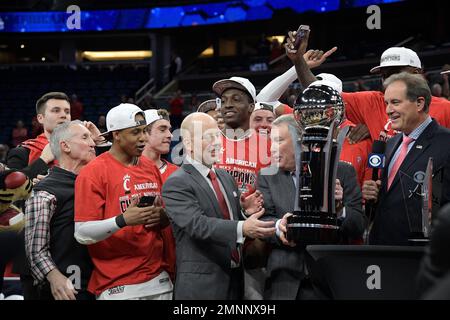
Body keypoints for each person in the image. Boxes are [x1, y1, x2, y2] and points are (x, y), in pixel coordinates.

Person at [162, 112, 275, 299]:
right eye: (208, 137)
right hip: (201, 287)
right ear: (188, 144)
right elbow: (198, 225)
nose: (217, 142)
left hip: (234, 280)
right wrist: (243, 227)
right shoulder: (176, 183)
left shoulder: (225, 177)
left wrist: (245, 214)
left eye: (217, 135)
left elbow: (228, 221)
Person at [259, 114, 366, 299]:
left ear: (301, 142)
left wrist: (339, 209)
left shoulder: (342, 172)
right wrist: (279, 227)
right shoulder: (267, 176)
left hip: (331, 277)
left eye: (278, 141)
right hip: (285, 280)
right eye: (271, 142)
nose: (272, 149)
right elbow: (265, 219)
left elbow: (358, 226)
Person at [74, 103, 173, 300]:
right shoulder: (92, 172)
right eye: (136, 132)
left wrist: (164, 216)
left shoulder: (149, 167)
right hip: (118, 285)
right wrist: (123, 220)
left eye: (145, 131)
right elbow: (82, 233)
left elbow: (164, 215)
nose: (143, 138)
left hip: (159, 279)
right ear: (116, 134)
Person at [283, 28, 450, 143]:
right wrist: (298, 61)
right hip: (381, 190)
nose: (388, 80)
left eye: (396, 72)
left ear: (417, 72)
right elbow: (320, 94)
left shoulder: (444, 108)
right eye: (384, 75)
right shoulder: (371, 102)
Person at [361, 72, 450, 245]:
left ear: (419, 103)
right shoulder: (392, 143)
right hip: (383, 250)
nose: (388, 110)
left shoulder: (446, 143)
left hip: (422, 254)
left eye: (395, 102)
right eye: (386, 103)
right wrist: (376, 196)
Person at [213, 76, 272, 300]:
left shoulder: (268, 146)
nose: (227, 104)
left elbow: (273, 196)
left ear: (251, 107)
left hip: (254, 246)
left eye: (236, 99)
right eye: (224, 99)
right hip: (215, 241)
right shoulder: (208, 143)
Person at [24, 120, 96, 300]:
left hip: (101, 285)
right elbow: (35, 249)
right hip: (67, 291)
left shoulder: (96, 184)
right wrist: (53, 276)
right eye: (85, 137)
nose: (93, 142)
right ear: (65, 146)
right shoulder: (44, 191)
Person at [142, 108, 178, 280]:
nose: (170, 135)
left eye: (170, 129)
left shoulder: (179, 173)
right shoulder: (125, 172)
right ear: (144, 133)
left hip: (176, 265)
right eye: (162, 129)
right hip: (142, 267)